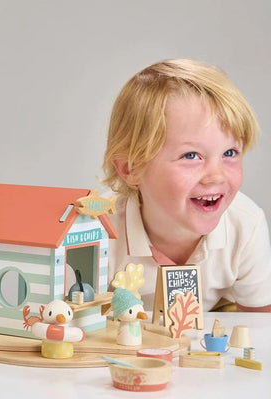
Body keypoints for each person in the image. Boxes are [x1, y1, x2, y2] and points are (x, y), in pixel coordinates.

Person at [102, 58, 271, 312]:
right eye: (191, 156)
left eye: (229, 153)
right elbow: (67, 315)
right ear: (131, 168)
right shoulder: (98, 231)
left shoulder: (245, 224)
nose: (216, 176)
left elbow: (260, 330)